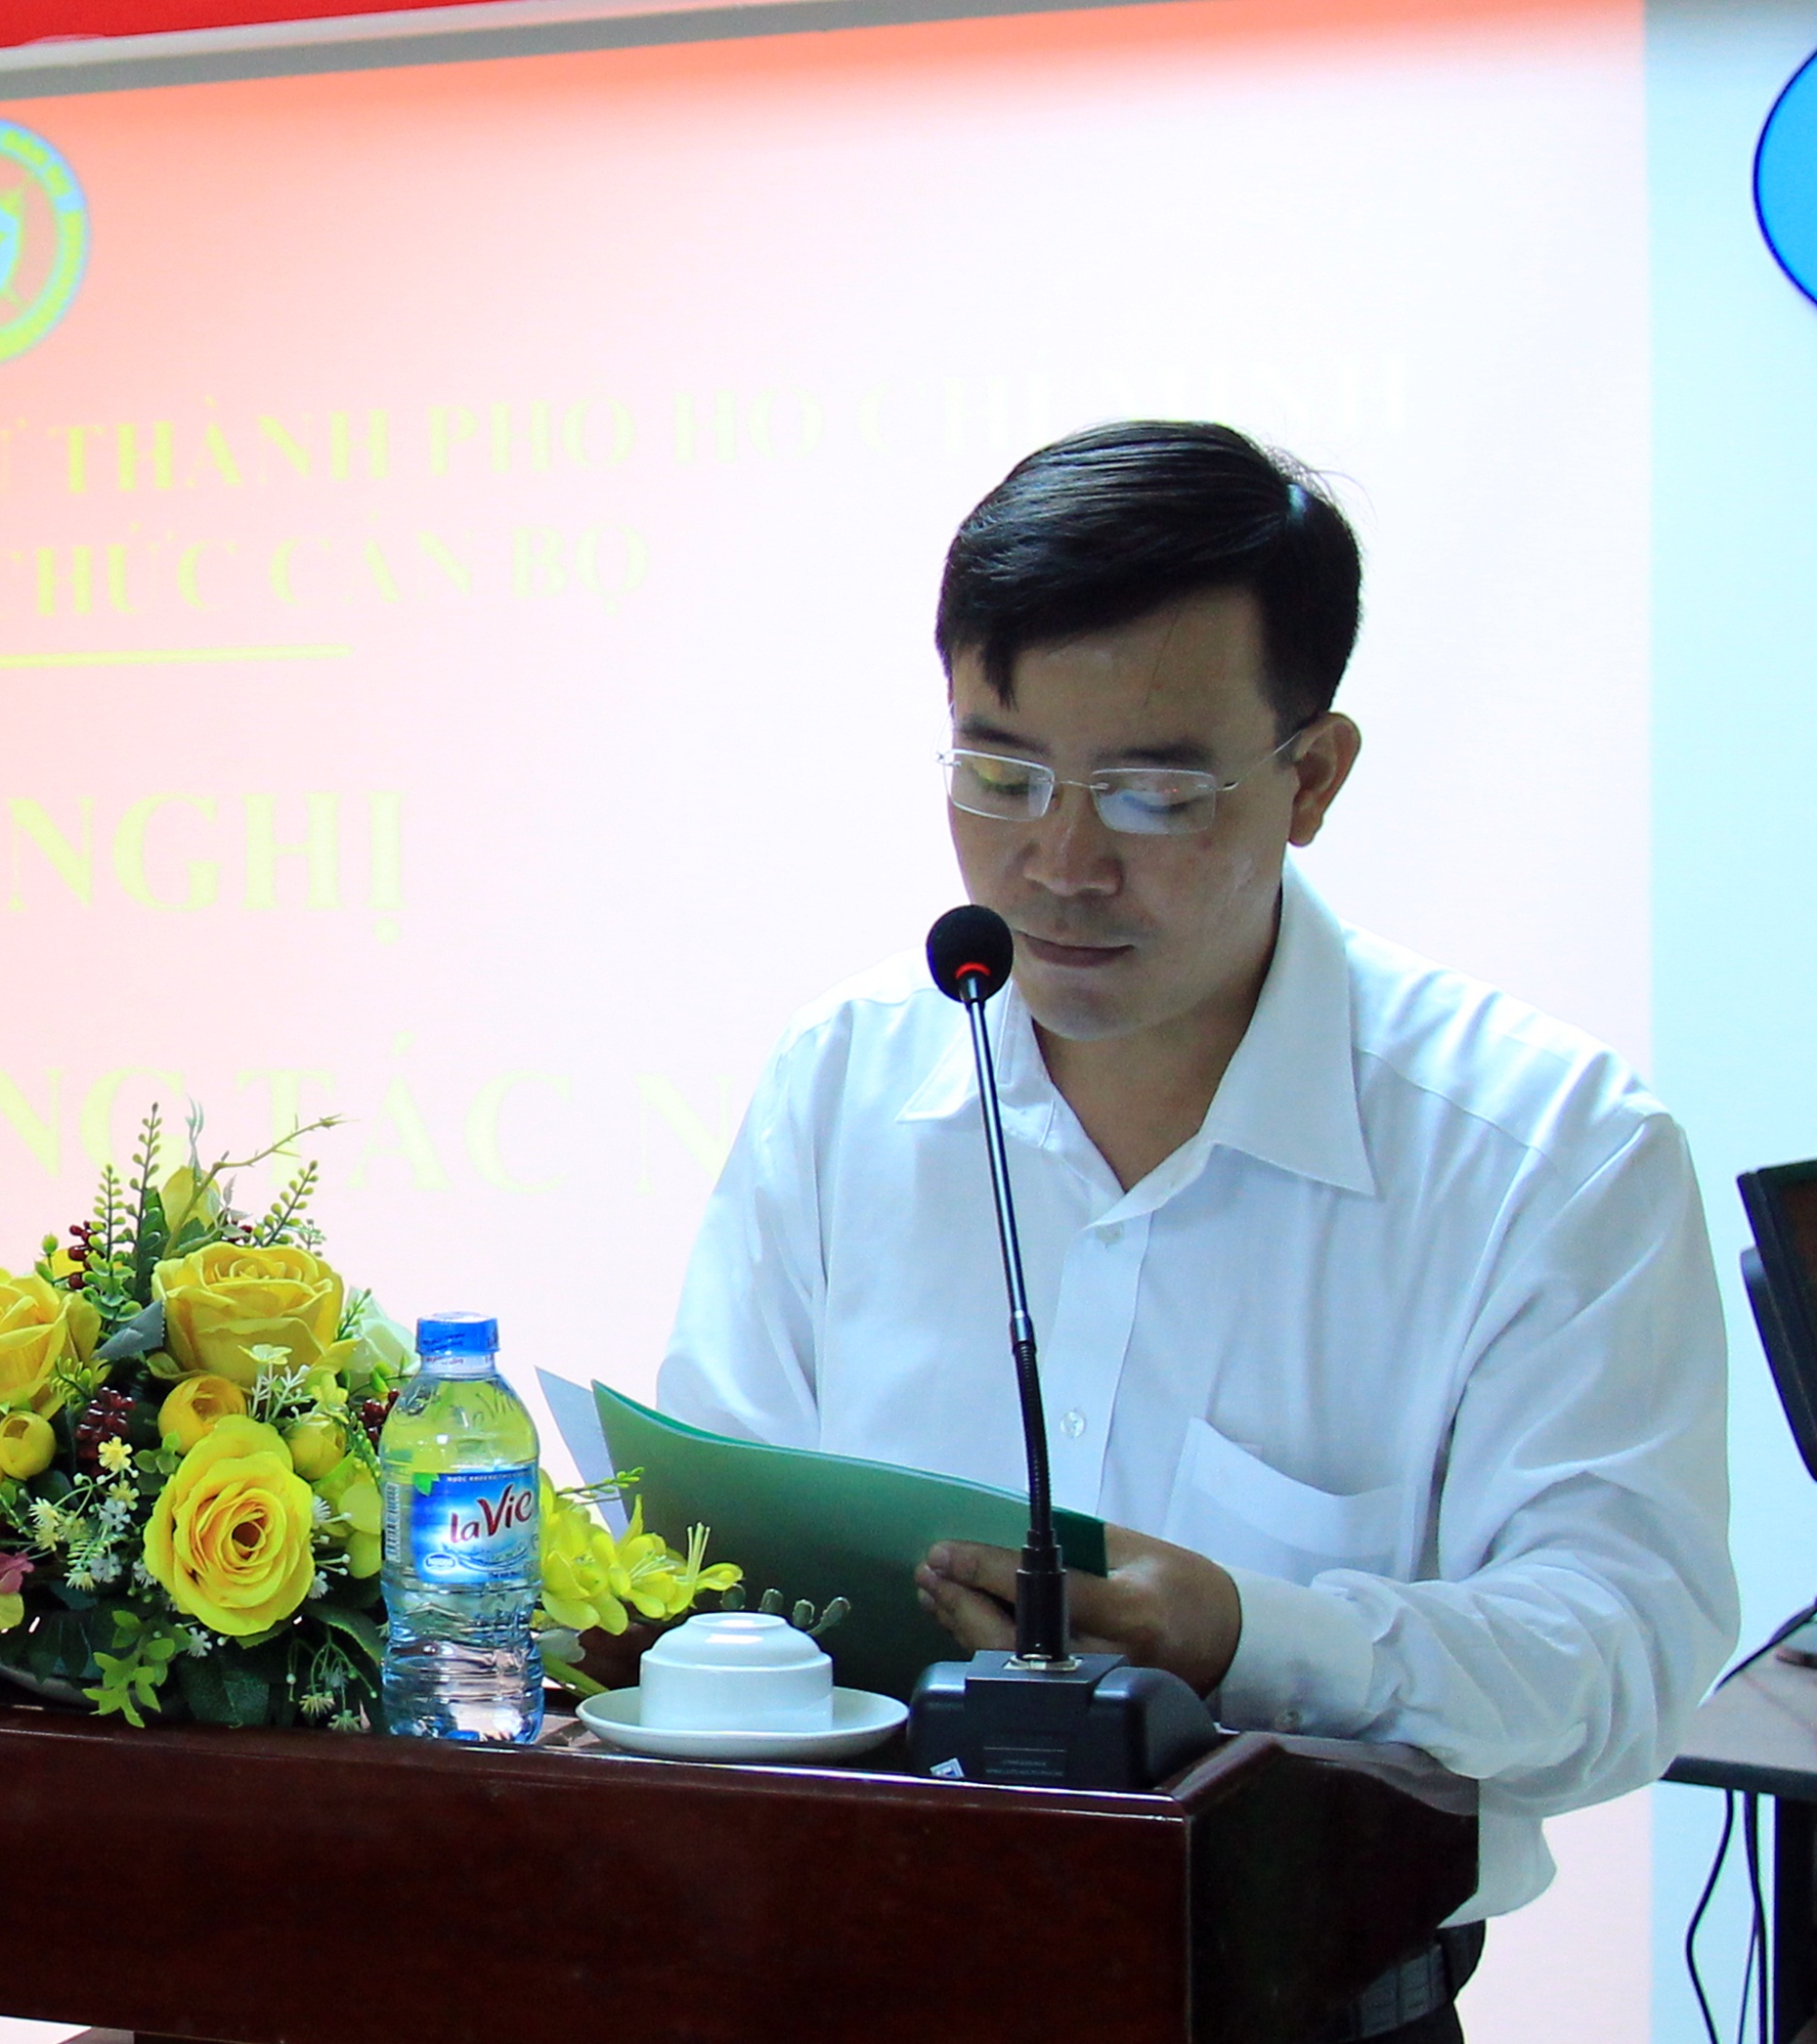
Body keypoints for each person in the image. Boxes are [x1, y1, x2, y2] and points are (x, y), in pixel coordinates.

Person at [656, 421, 1738, 2044]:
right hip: (859, 1986)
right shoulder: (843, 1088)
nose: (1059, 863)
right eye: (1000, 777)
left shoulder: (1544, 1153)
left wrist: (1247, 1637)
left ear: (1312, 778)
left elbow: (1621, 1661)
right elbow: (712, 1548)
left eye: (1151, 793)